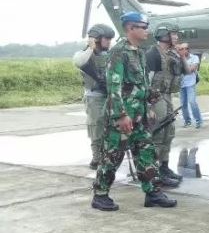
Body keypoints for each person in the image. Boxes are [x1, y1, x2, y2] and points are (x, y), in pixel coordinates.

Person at [91, 12, 177, 211]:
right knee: (113, 156)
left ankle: (152, 193)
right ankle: (100, 194)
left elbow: (142, 84)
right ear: (130, 28)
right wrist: (121, 115)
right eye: (143, 27)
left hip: (139, 114)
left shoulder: (138, 51)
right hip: (122, 116)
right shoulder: (119, 52)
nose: (146, 30)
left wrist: (150, 105)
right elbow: (114, 86)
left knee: (146, 152)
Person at [146, 24, 188, 186]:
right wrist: (149, 107)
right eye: (173, 34)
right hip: (155, 98)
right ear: (164, 35)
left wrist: (181, 55)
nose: (176, 37)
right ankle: (154, 172)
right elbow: (146, 81)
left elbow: (186, 71)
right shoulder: (153, 54)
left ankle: (164, 167)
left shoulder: (172, 54)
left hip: (167, 96)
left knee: (168, 133)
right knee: (158, 134)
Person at [73, 23, 116, 170]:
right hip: (94, 97)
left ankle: (107, 156)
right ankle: (97, 157)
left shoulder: (109, 54)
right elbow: (79, 62)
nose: (109, 41)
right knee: (96, 127)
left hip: (109, 95)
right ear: (96, 39)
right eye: (106, 38)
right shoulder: (84, 54)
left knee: (111, 128)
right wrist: (90, 47)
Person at [177, 42, 203, 129]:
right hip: (181, 84)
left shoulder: (194, 58)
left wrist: (183, 58)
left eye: (185, 48)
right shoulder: (177, 58)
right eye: (181, 49)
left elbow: (191, 70)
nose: (183, 50)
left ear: (188, 49)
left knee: (192, 102)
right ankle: (187, 121)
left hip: (190, 83)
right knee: (183, 104)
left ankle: (198, 120)